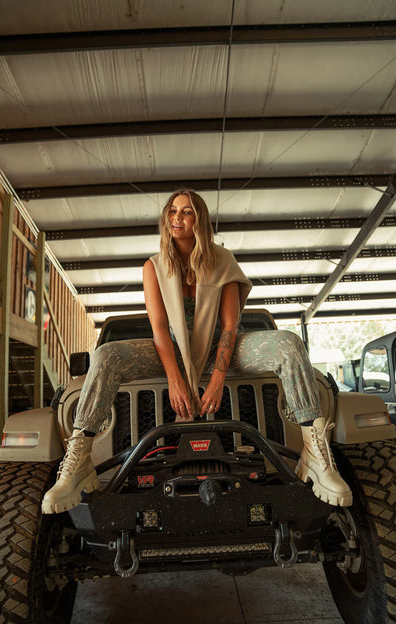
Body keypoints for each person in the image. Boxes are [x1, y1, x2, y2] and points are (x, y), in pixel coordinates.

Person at [42, 189, 352, 514]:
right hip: (171, 352)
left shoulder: (223, 261)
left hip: (224, 351)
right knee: (106, 355)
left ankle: (314, 454)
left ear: (199, 220)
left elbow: (230, 327)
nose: (177, 217)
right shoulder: (154, 267)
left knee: (289, 343)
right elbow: (160, 329)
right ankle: (80, 460)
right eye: (172, 211)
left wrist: (217, 379)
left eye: (186, 211)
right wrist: (175, 380)